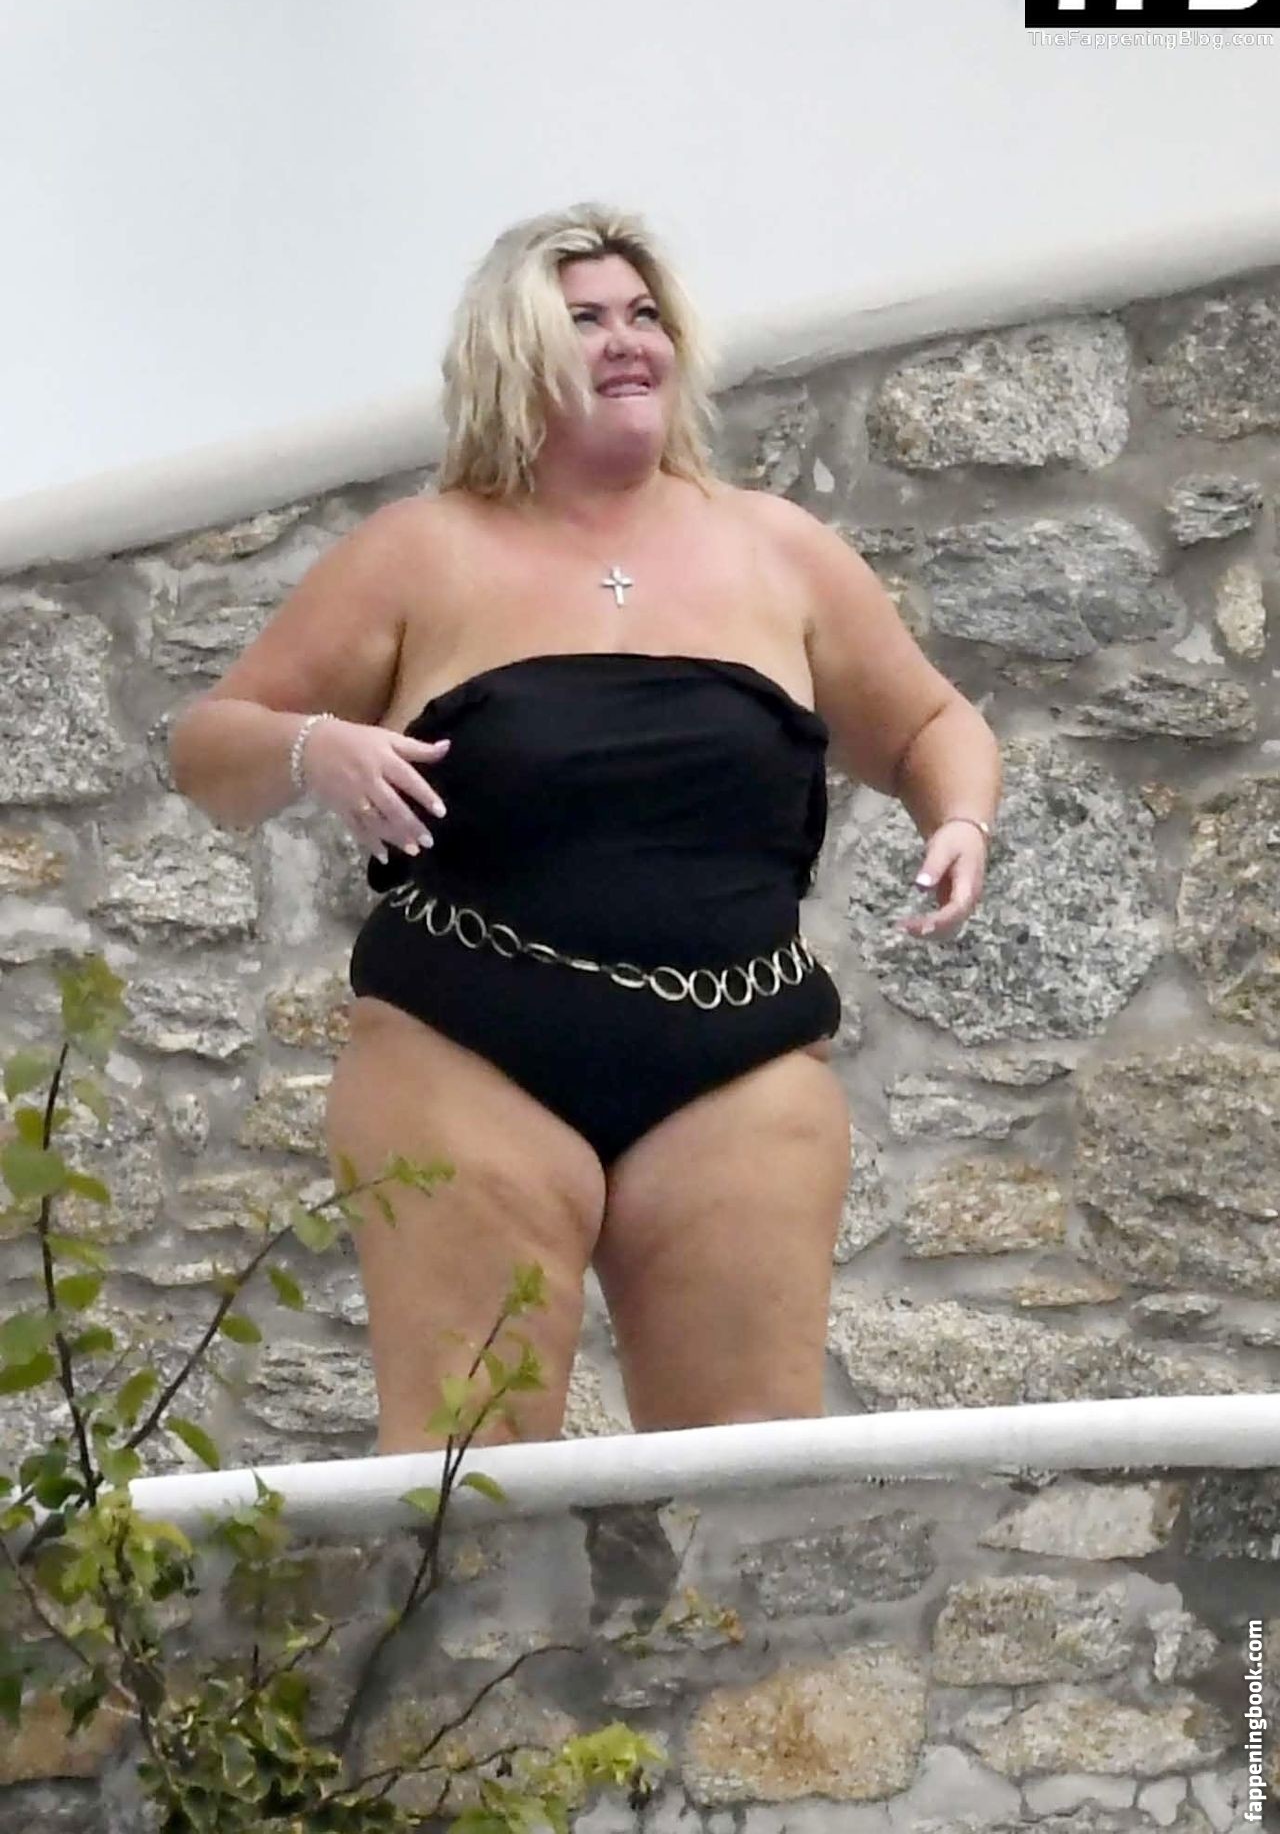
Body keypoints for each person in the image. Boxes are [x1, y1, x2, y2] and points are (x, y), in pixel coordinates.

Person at [170, 202, 1001, 1456]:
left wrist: (960, 819)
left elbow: (932, 721)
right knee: (467, 1461)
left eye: (644, 315)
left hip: (736, 1051)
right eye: (585, 321)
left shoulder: (776, 549)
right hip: (463, 1047)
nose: (627, 340)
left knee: (748, 1464)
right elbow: (207, 752)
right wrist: (313, 745)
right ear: (512, 355)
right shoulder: (419, 553)